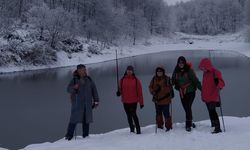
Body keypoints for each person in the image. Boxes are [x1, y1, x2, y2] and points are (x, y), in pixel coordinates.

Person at [65, 64, 99, 140]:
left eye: (84, 69)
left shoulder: (89, 79)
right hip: (77, 103)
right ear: (78, 71)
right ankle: (69, 135)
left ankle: (86, 136)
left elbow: (94, 90)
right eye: (82, 70)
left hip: (87, 103)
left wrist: (96, 100)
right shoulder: (74, 80)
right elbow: (68, 89)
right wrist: (74, 88)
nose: (84, 71)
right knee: (73, 119)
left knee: (86, 120)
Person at [172, 56, 201, 132]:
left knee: (187, 107)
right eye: (179, 62)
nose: (181, 64)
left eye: (182, 62)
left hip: (191, 92)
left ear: (184, 62)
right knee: (186, 108)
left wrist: (202, 89)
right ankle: (191, 122)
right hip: (182, 93)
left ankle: (188, 124)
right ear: (177, 63)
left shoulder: (189, 70)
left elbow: (195, 80)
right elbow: (173, 81)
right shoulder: (176, 71)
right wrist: (173, 84)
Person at [199, 58, 225, 134]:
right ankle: (213, 125)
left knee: (213, 111)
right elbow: (204, 85)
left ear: (207, 66)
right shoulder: (205, 73)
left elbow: (222, 83)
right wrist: (203, 95)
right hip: (206, 96)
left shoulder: (215, 72)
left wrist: (219, 84)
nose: (202, 69)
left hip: (213, 95)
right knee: (210, 111)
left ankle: (217, 128)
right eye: (202, 68)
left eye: (203, 68)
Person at [116, 65, 144, 134]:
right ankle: (132, 129)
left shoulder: (136, 80)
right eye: (128, 70)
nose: (129, 71)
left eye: (130, 70)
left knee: (134, 115)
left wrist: (141, 103)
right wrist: (118, 92)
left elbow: (140, 92)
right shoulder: (122, 80)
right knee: (128, 116)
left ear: (132, 71)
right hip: (125, 101)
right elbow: (120, 90)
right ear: (126, 71)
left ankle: (138, 129)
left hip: (134, 101)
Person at [149, 66, 174, 131]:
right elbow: (150, 87)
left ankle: (168, 127)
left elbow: (170, 89)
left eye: (160, 71)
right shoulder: (154, 78)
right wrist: (153, 92)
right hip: (156, 100)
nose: (159, 72)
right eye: (158, 71)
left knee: (166, 114)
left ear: (163, 72)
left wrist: (160, 89)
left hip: (165, 100)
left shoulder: (167, 79)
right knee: (158, 114)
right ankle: (160, 126)